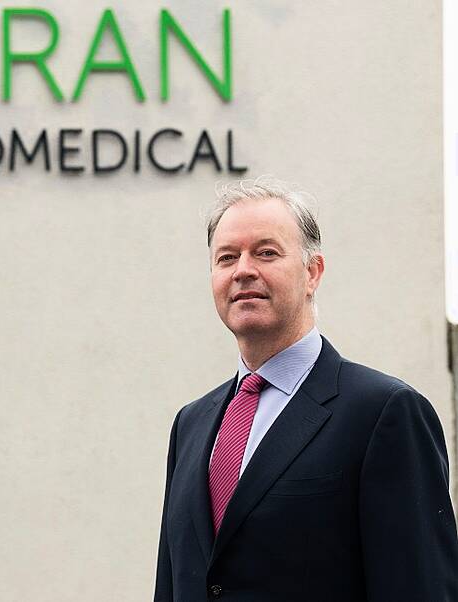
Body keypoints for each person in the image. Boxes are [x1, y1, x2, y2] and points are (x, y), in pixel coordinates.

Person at [154, 178, 458, 601]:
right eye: (227, 257)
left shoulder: (383, 413)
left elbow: (418, 586)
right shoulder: (191, 424)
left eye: (266, 252)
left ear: (312, 272)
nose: (243, 269)